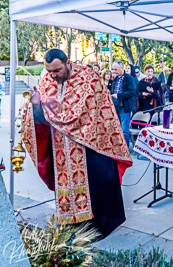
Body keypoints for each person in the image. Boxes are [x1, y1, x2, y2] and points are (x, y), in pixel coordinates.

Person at [22, 49, 132, 238]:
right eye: (49, 71)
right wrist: (37, 104)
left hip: (89, 145)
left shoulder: (89, 78)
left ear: (68, 62)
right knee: (67, 189)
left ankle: (96, 227)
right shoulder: (46, 82)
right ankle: (71, 222)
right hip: (60, 150)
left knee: (95, 187)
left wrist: (77, 126)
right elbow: (40, 118)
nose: (53, 75)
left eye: (57, 70)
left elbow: (100, 111)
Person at [111, 61, 138, 147]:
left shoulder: (129, 78)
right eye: (113, 69)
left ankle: (125, 150)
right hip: (116, 107)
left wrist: (118, 95)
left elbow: (132, 92)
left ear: (122, 68)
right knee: (117, 130)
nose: (114, 71)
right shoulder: (115, 79)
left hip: (124, 107)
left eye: (116, 69)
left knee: (124, 130)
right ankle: (119, 148)